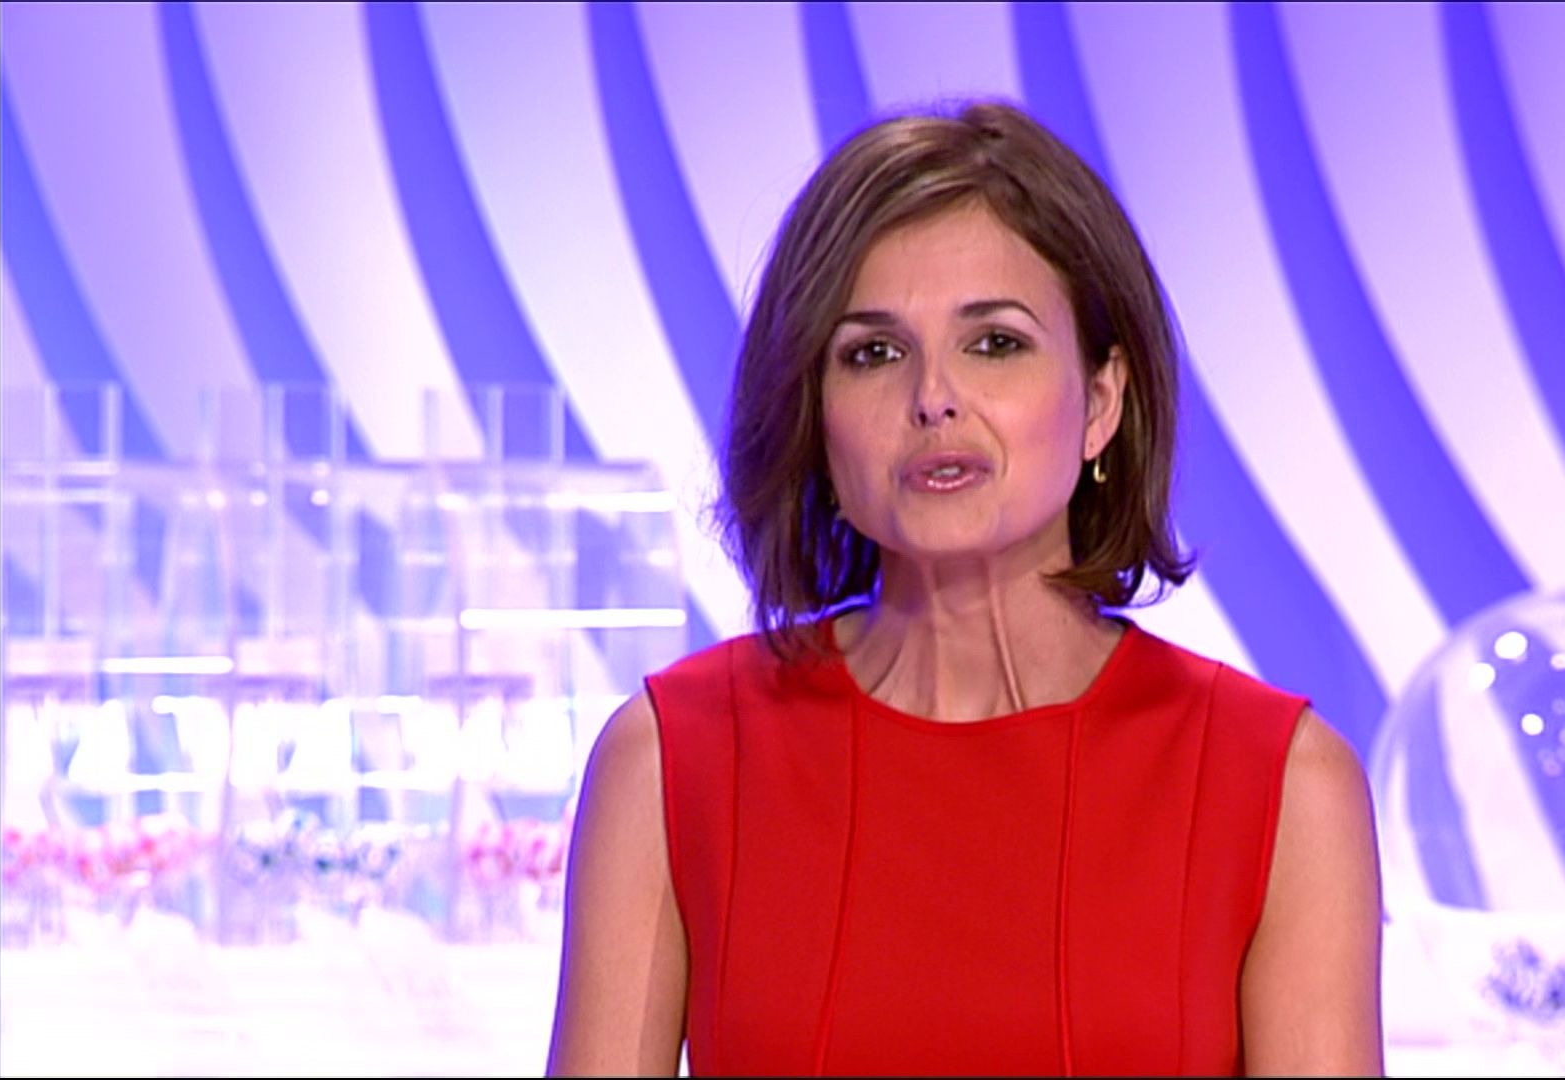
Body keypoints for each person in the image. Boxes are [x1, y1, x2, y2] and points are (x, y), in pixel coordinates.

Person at [546, 100, 1383, 1077]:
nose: (933, 398)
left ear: (1102, 400)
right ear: (814, 417)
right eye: (874, 353)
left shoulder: (1282, 787)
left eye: (995, 343)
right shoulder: (672, 760)